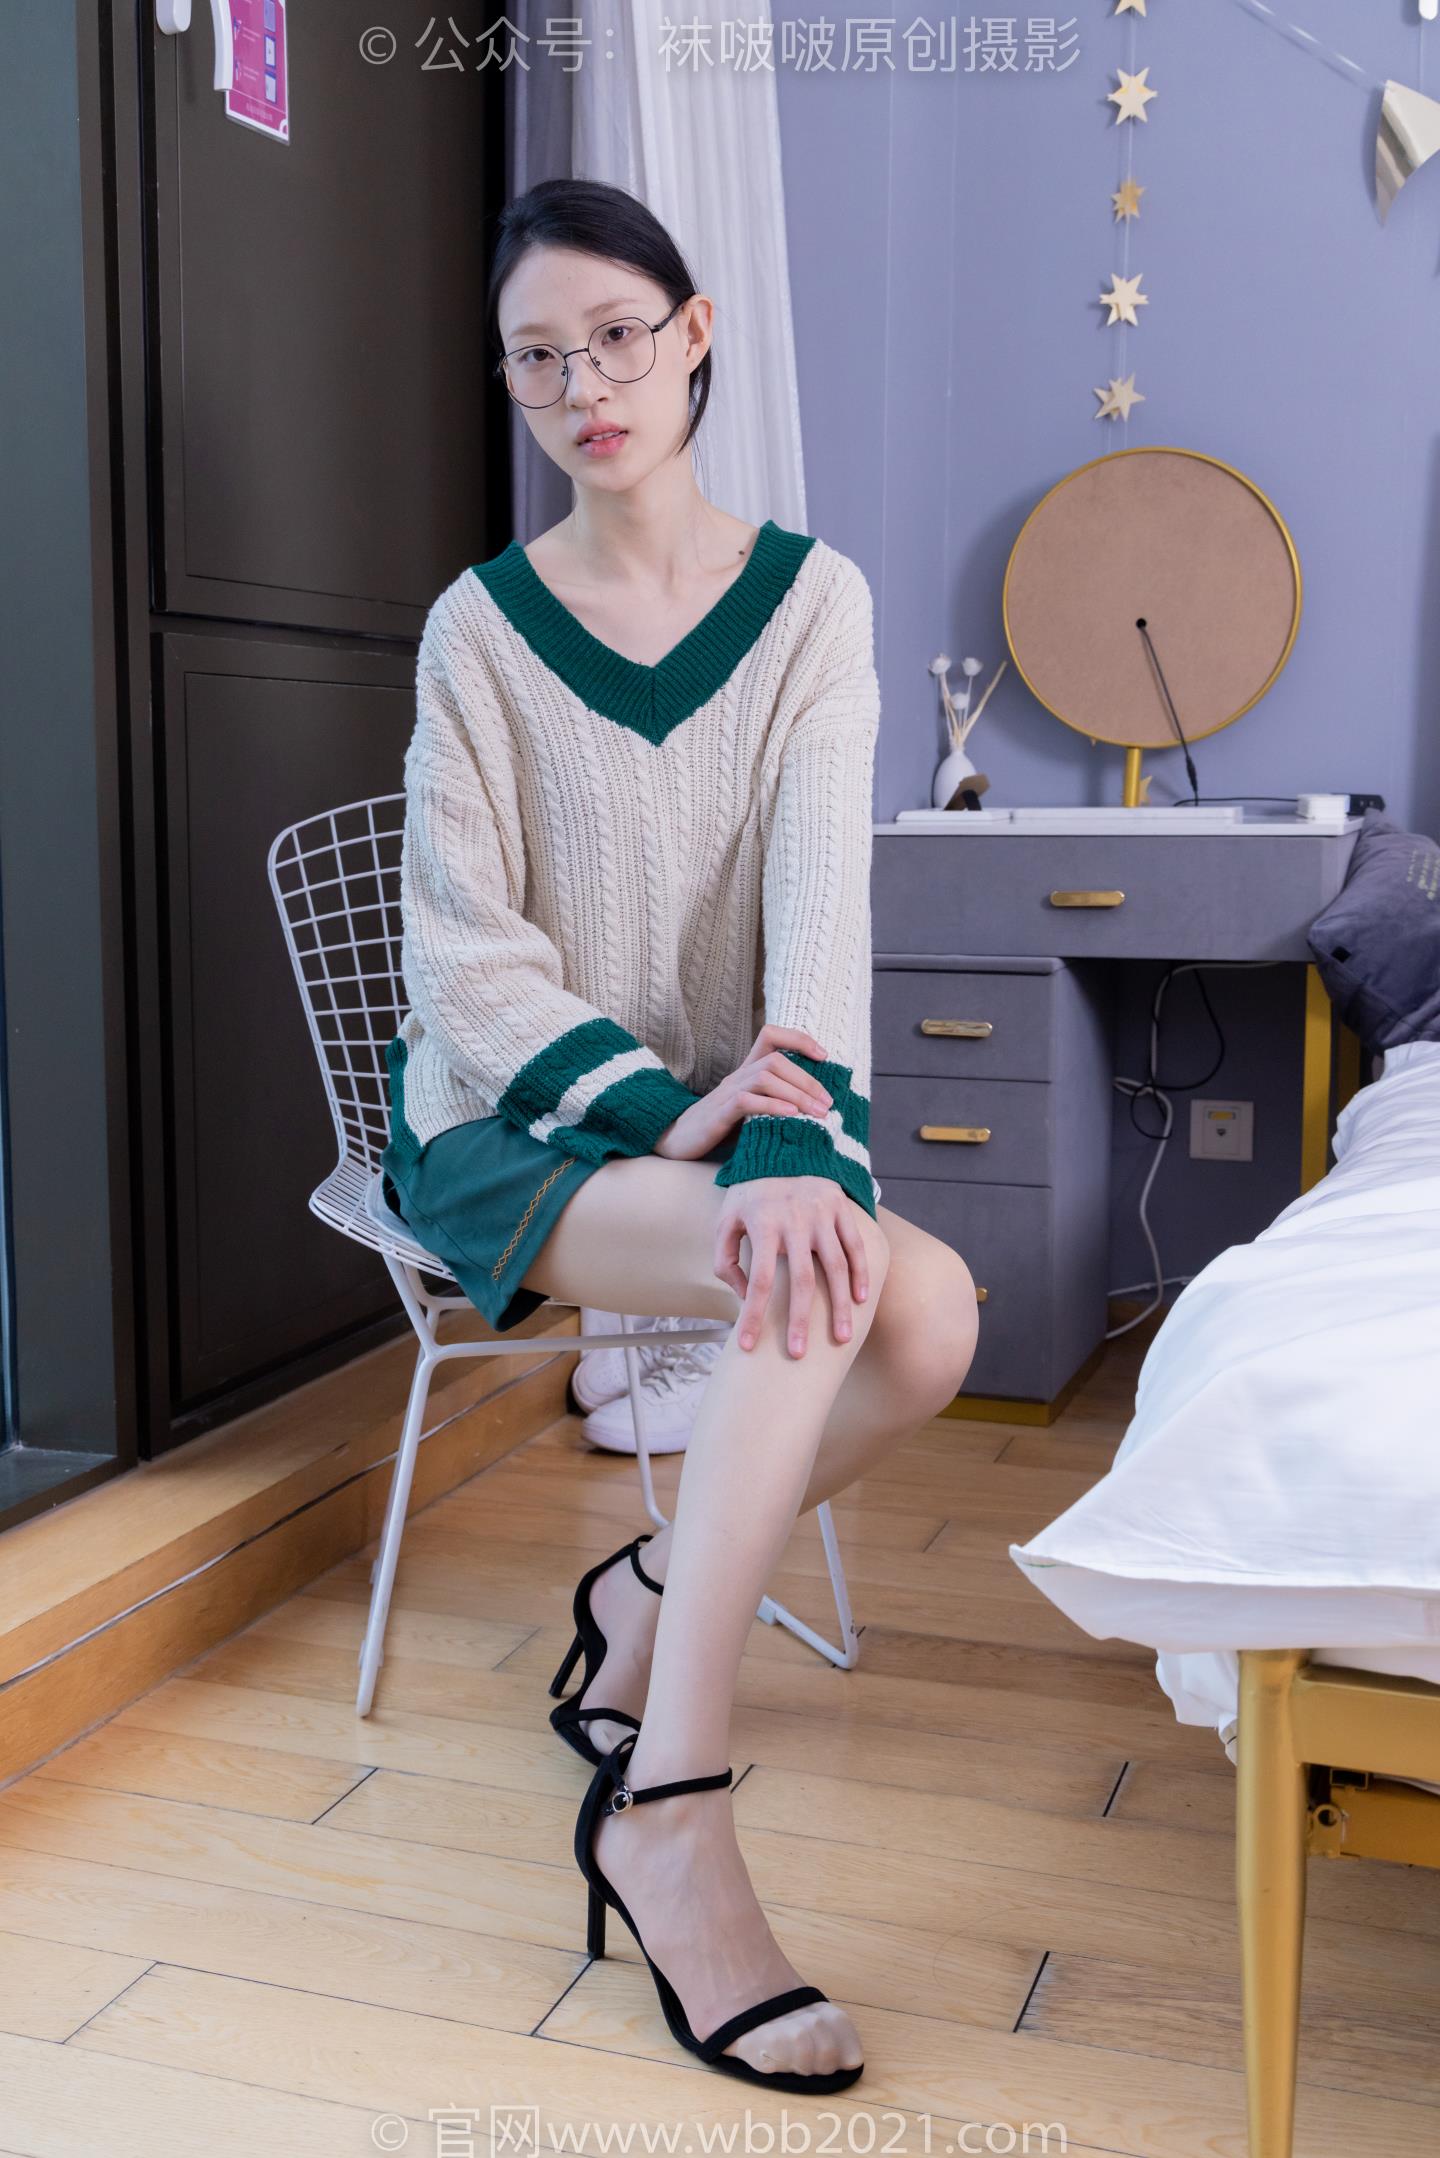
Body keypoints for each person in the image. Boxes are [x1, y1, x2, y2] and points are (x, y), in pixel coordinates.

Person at [381, 175, 979, 2092]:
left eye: (618, 338)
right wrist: (668, 1109)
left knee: (933, 1314)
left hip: (740, 1114)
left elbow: (821, 913)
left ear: (695, 333)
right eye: (538, 359)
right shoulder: (478, 631)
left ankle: (641, 1597)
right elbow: (462, 955)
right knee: (802, 1278)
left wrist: (782, 1131)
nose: (586, 389)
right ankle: (671, 1808)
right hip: (516, 1122)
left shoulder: (815, 605)